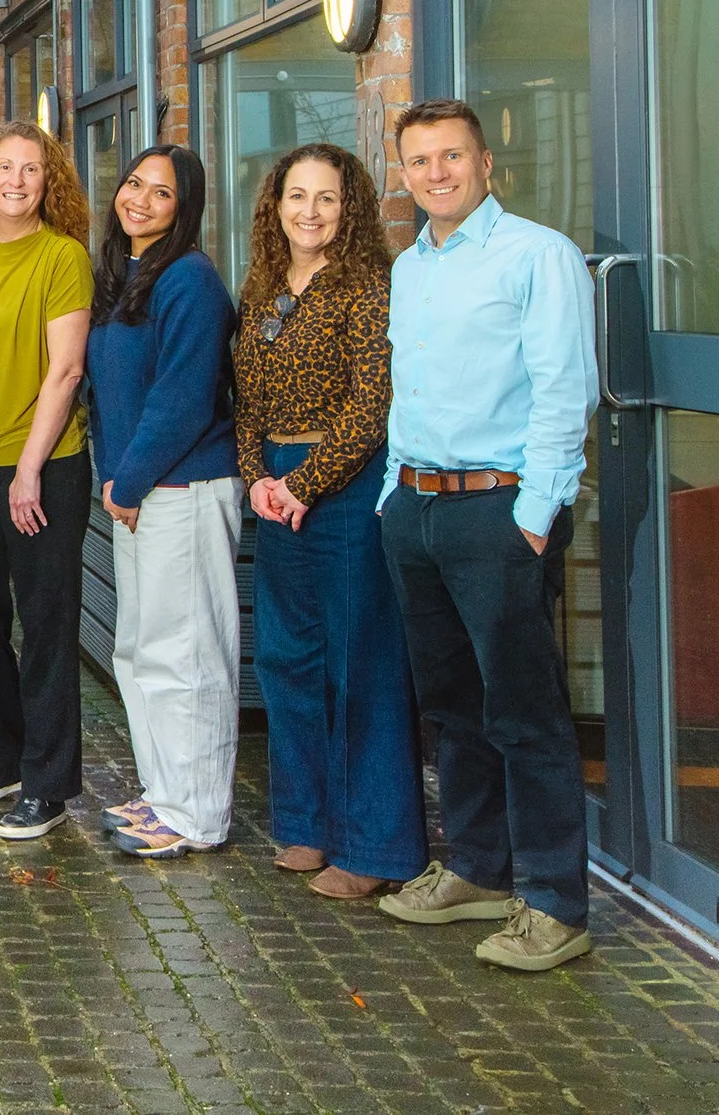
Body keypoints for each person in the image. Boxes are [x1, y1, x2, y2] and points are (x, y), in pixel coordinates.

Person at [376, 99, 599, 972]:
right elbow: (410, 389)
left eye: (452, 156)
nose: (437, 172)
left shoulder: (537, 254)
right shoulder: (410, 268)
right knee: (452, 705)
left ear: (485, 163)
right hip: (418, 508)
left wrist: (535, 515)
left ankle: (555, 904)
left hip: (499, 510)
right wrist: (393, 495)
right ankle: (477, 868)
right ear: (404, 172)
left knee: (524, 711)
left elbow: (564, 391)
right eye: (420, 160)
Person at [232, 143, 425, 901]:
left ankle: (374, 846)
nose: (309, 211)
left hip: (345, 484)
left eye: (327, 198)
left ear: (351, 210)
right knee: (287, 659)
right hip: (275, 486)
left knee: (359, 663)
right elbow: (246, 398)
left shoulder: (367, 287)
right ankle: (306, 823)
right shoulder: (263, 287)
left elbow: (373, 406)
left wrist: (305, 483)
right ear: (275, 205)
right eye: (297, 196)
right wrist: (257, 476)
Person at [0, 121, 94, 842]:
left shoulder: (63, 256)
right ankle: (1, 761)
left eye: (32, 169)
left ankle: (49, 783)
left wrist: (29, 467)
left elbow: (66, 369)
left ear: (48, 181)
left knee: (46, 627)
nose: (17, 181)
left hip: (44, 465)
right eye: (5, 167)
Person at [86, 145, 241, 862]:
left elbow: (181, 399)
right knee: (141, 651)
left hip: (182, 491)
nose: (140, 199)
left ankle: (197, 813)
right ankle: (163, 792)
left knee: (189, 656)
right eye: (133, 183)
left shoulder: (190, 280)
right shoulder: (128, 277)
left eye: (162, 192)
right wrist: (121, 483)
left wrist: (127, 482)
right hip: (140, 495)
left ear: (185, 208)